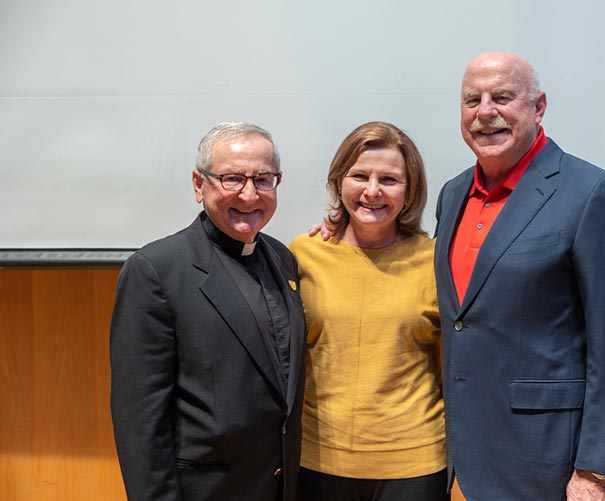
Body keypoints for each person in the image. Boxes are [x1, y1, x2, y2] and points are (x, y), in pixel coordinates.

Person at [433, 51, 605, 500]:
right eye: (472, 100)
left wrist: (596, 469)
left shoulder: (592, 192)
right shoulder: (453, 193)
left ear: (539, 106)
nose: (485, 112)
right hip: (468, 455)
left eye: (503, 97)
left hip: (554, 461)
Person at [110, 122, 306, 501]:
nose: (249, 194)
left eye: (263, 179)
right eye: (232, 179)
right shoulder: (156, 270)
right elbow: (140, 420)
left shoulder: (283, 260)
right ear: (199, 185)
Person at [289, 122, 448, 501]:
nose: (372, 191)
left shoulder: (436, 260)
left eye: (390, 180)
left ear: (410, 192)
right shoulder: (302, 253)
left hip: (416, 463)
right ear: (339, 182)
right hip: (318, 459)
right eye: (359, 176)